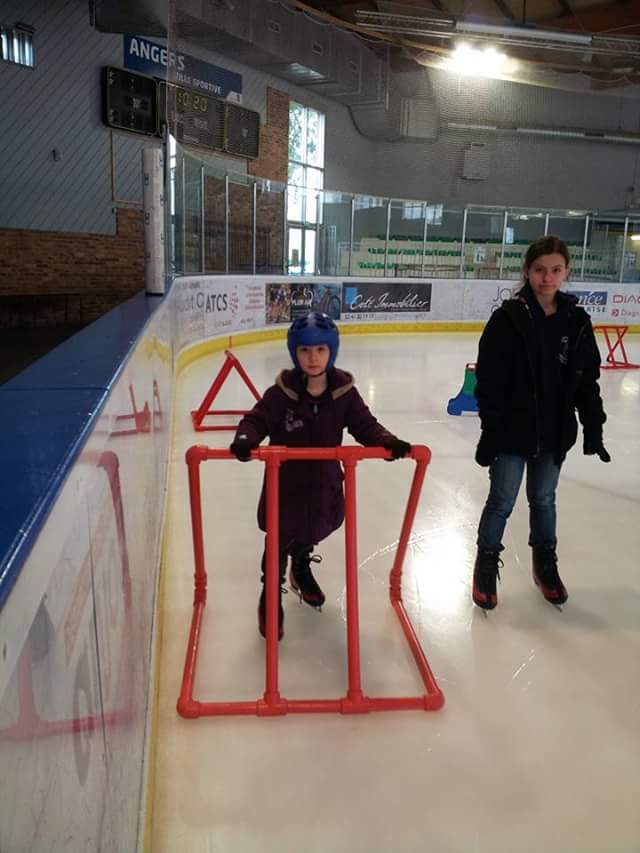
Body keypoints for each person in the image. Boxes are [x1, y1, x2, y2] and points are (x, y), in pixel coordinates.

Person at [230, 311, 412, 639]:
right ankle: (270, 592)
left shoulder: (344, 394)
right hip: (286, 487)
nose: (313, 358)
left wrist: (387, 441)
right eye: (305, 350)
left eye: (320, 350)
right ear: (294, 352)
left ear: (332, 351)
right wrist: (246, 439)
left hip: (323, 485)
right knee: (278, 541)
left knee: (311, 530)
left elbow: (365, 425)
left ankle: (300, 568)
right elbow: (256, 420)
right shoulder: (281, 394)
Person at [472, 235, 610, 611]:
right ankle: (486, 563)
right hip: (511, 432)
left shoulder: (576, 322)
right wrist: (491, 431)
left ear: (566, 272)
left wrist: (593, 426)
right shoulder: (508, 319)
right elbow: (489, 380)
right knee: (502, 500)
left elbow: (586, 380)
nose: (547, 278)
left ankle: (545, 565)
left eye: (555, 270)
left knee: (544, 500)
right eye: (539, 270)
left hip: (553, 432)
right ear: (527, 272)